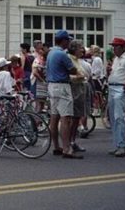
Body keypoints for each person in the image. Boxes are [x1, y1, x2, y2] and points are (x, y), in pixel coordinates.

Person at [46, 30, 81, 159]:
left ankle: (56, 146)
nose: (69, 42)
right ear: (64, 41)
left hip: (51, 86)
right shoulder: (62, 54)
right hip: (62, 86)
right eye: (68, 40)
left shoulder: (50, 53)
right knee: (65, 118)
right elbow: (72, 70)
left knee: (54, 118)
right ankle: (67, 148)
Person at [106, 37, 125, 157]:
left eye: (116, 46)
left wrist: (124, 89)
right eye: (113, 46)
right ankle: (118, 144)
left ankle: (122, 145)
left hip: (120, 88)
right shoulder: (116, 59)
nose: (114, 48)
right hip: (113, 87)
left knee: (119, 118)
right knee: (113, 118)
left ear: (123, 47)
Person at [66, 40, 89, 153]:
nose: (82, 50)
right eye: (80, 48)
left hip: (79, 90)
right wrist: (78, 78)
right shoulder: (69, 59)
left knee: (76, 118)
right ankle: (69, 142)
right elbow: (67, 76)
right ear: (74, 49)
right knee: (73, 118)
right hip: (74, 90)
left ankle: (72, 141)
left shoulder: (77, 60)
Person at [32, 40, 48, 113]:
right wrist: (42, 80)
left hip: (42, 83)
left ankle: (39, 121)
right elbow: (35, 72)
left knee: (42, 103)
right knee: (39, 103)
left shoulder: (43, 60)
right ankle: (36, 121)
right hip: (37, 82)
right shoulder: (37, 59)